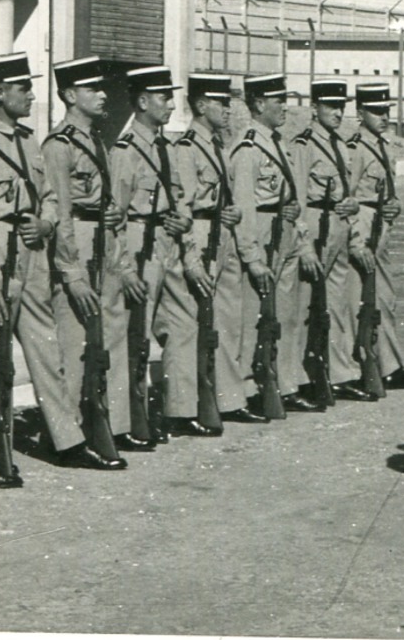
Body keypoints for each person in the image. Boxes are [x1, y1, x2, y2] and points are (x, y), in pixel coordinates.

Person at [0, 52, 89, 485]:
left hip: (32, 251)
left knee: (45, 347)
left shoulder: (29, 142)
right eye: (22, 88)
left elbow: (49, 195)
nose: (30, 94)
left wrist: (45, 222)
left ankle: (68, 439)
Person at [42, 56, 129, 470]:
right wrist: (71, 272)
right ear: (70, 95)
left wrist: (112, 216)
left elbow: (104, 197)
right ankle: (70, 436)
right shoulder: (59, 146)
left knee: (101, 340)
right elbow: (59, 210)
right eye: (93, 88)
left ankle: (98, 424)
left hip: (102, 244)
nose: (103, 94)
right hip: (76, 245)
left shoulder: (97, 141)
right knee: (74, 344)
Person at [109, 65, 197, 438]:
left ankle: (179, 408)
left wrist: (184, 221)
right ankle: (133, 417)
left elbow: (181, 198)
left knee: (183, 323)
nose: (172, 105)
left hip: (169, 243)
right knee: (137, 333)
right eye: (164, 97)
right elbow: (114, 216)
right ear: (143, 101)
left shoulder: (169, 148)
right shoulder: (125, 152)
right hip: (139, 242)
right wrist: (124, 267)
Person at [171, 73, 258, 428]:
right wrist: (190, 258)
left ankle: (229, 398)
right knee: (191, 326)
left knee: (226, 321)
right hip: (200, 236)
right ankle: (185, 408)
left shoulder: (218, 145)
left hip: (222, 235)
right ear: (202, 105)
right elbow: (184, 209)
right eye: (220, 102)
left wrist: (231, 211)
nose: (227, 108)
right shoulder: (187, 148)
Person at [332, 82, 404, 397]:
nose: (383, 117)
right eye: (376, 111)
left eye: (386, 110)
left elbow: (385, 191)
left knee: (383, 300)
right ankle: (355, 370)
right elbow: (348, 196)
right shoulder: (356, 148)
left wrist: (394, 205)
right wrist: (357, 241)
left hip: (380, 227)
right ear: (360, 113)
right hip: (362, 227)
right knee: (356, 302)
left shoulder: (383, 145)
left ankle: (389, 367)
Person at [229, 73, 305, 417]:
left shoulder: (277, 142)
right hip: (260, 231)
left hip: (282, 230)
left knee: (284, 315)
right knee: (252, 316)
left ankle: (285, 383)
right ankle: (246, 387)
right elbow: (244, 205)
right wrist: (252, 257)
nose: (284, 106)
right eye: (278, 100)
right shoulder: (247, 147)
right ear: (259, 104)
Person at [290, 79, 361, 408]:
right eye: (331, 106)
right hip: (316, 228)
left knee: (337, 305)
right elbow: (300, 197)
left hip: (338, 226)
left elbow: (347, 189)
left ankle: (339, 373)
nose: (338, 112)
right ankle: (303, 377)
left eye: (342, 106)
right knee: (308, 307)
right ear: (314, 108)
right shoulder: (304, 145)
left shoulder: (340, 143)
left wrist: (351, 205)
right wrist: (303, 245)